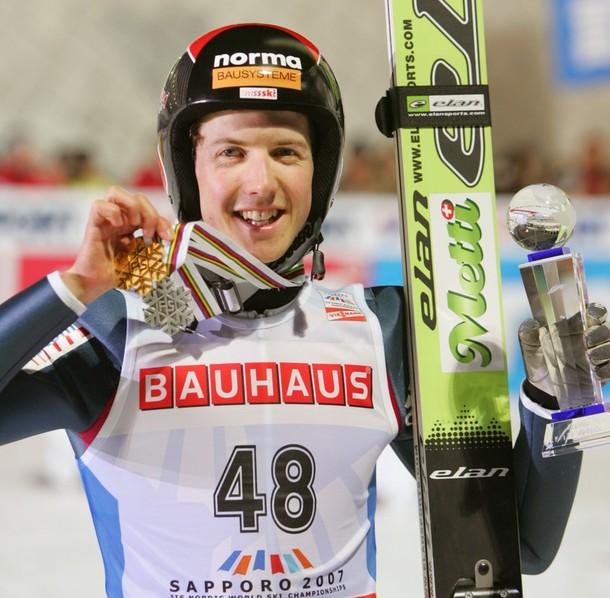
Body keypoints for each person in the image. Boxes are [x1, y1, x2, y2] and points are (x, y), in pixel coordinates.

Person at [1, 23, 609, 598]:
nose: (261, 182)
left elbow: (517, 544)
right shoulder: (118, 328)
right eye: (231, 152)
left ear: (320, 175)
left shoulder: (384, 328)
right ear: (187, 172)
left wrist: (562, 392)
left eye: (287, 152)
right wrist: (77, 285)